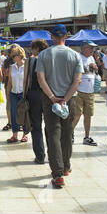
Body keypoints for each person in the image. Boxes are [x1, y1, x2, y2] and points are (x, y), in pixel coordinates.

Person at [36, 24, 83, 188]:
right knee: (67, 132)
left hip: (50, 100)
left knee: (53, 134)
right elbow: (77, 80)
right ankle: (66, 166)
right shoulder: (75, 56)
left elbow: (41, 79)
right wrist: (65, 99)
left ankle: (57, 174)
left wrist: (52, 97)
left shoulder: (43, 55)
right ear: (66, 36)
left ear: (52, 36)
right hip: (69, 99)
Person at [24, 39, 49, 163]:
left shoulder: (31, 61)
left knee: (36, 126)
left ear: (37, 49)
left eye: (32, 48)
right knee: (50, 126)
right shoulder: (50, 60)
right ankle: (53, 155)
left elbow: (26, 80)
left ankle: (40, 156)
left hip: (34, 94)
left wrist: (25, 96)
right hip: (49, 94)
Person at [72, 41, 99, 146]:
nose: (92, 50)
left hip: (90, 91)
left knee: (88, 116)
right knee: (77, 115)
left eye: (93, 48)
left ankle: (87, 137)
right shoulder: (77, 57)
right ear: (83, 48)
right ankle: (70, 134)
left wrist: (96, 68)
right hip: (78, 91)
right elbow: (74, 71)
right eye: (90, 48)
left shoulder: (92, 58)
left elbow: (94, 72)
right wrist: (88, 66)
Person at [6, 46, 28, 143]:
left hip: (23, 94)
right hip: (14, 93)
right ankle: (15, 135)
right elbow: (10, 82)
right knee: (14, 114)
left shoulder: (26, 66)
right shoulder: (12, 67)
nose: (12, 58)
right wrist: (8, 95)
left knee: (23, 114)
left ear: (20, 56)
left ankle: (25, 135)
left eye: (14, 56)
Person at [2, 44, 21, 131]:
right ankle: (10, 122)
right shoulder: (7, 61)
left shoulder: (23, 61)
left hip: (20, 86)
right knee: (9, 104)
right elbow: (5, 73)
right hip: (9, 85)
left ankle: (20, 123)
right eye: (12, 51)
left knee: (20, 105)